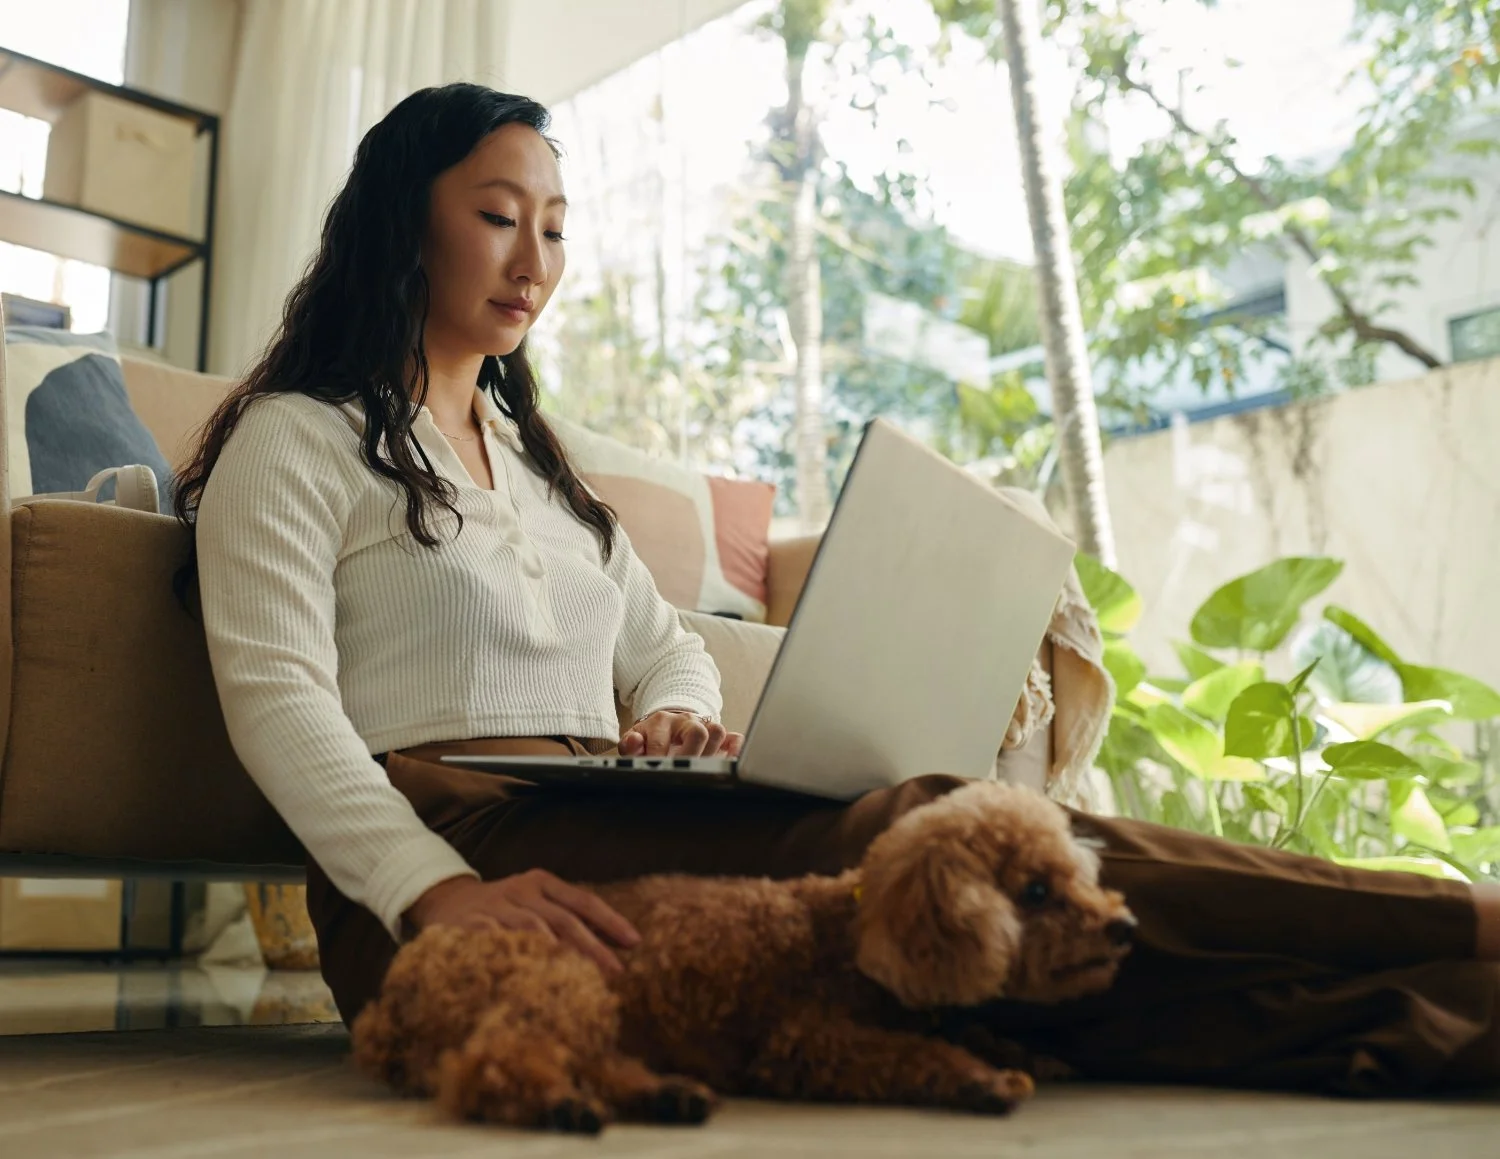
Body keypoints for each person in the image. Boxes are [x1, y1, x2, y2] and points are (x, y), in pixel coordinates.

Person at [175, 83, 1500, 1096]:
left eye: (558, 229)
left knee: (938, 969)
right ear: (404, 220)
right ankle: (1459, 916)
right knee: (940, 834)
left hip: (604, 805)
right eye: (499, 217)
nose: (536, 259)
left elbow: (664, 646)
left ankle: (1447, 1020)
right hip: (461, 856)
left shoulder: (534, 464)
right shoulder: (298, 438)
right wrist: (435, 888)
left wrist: (678, 718)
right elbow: (278, 697)